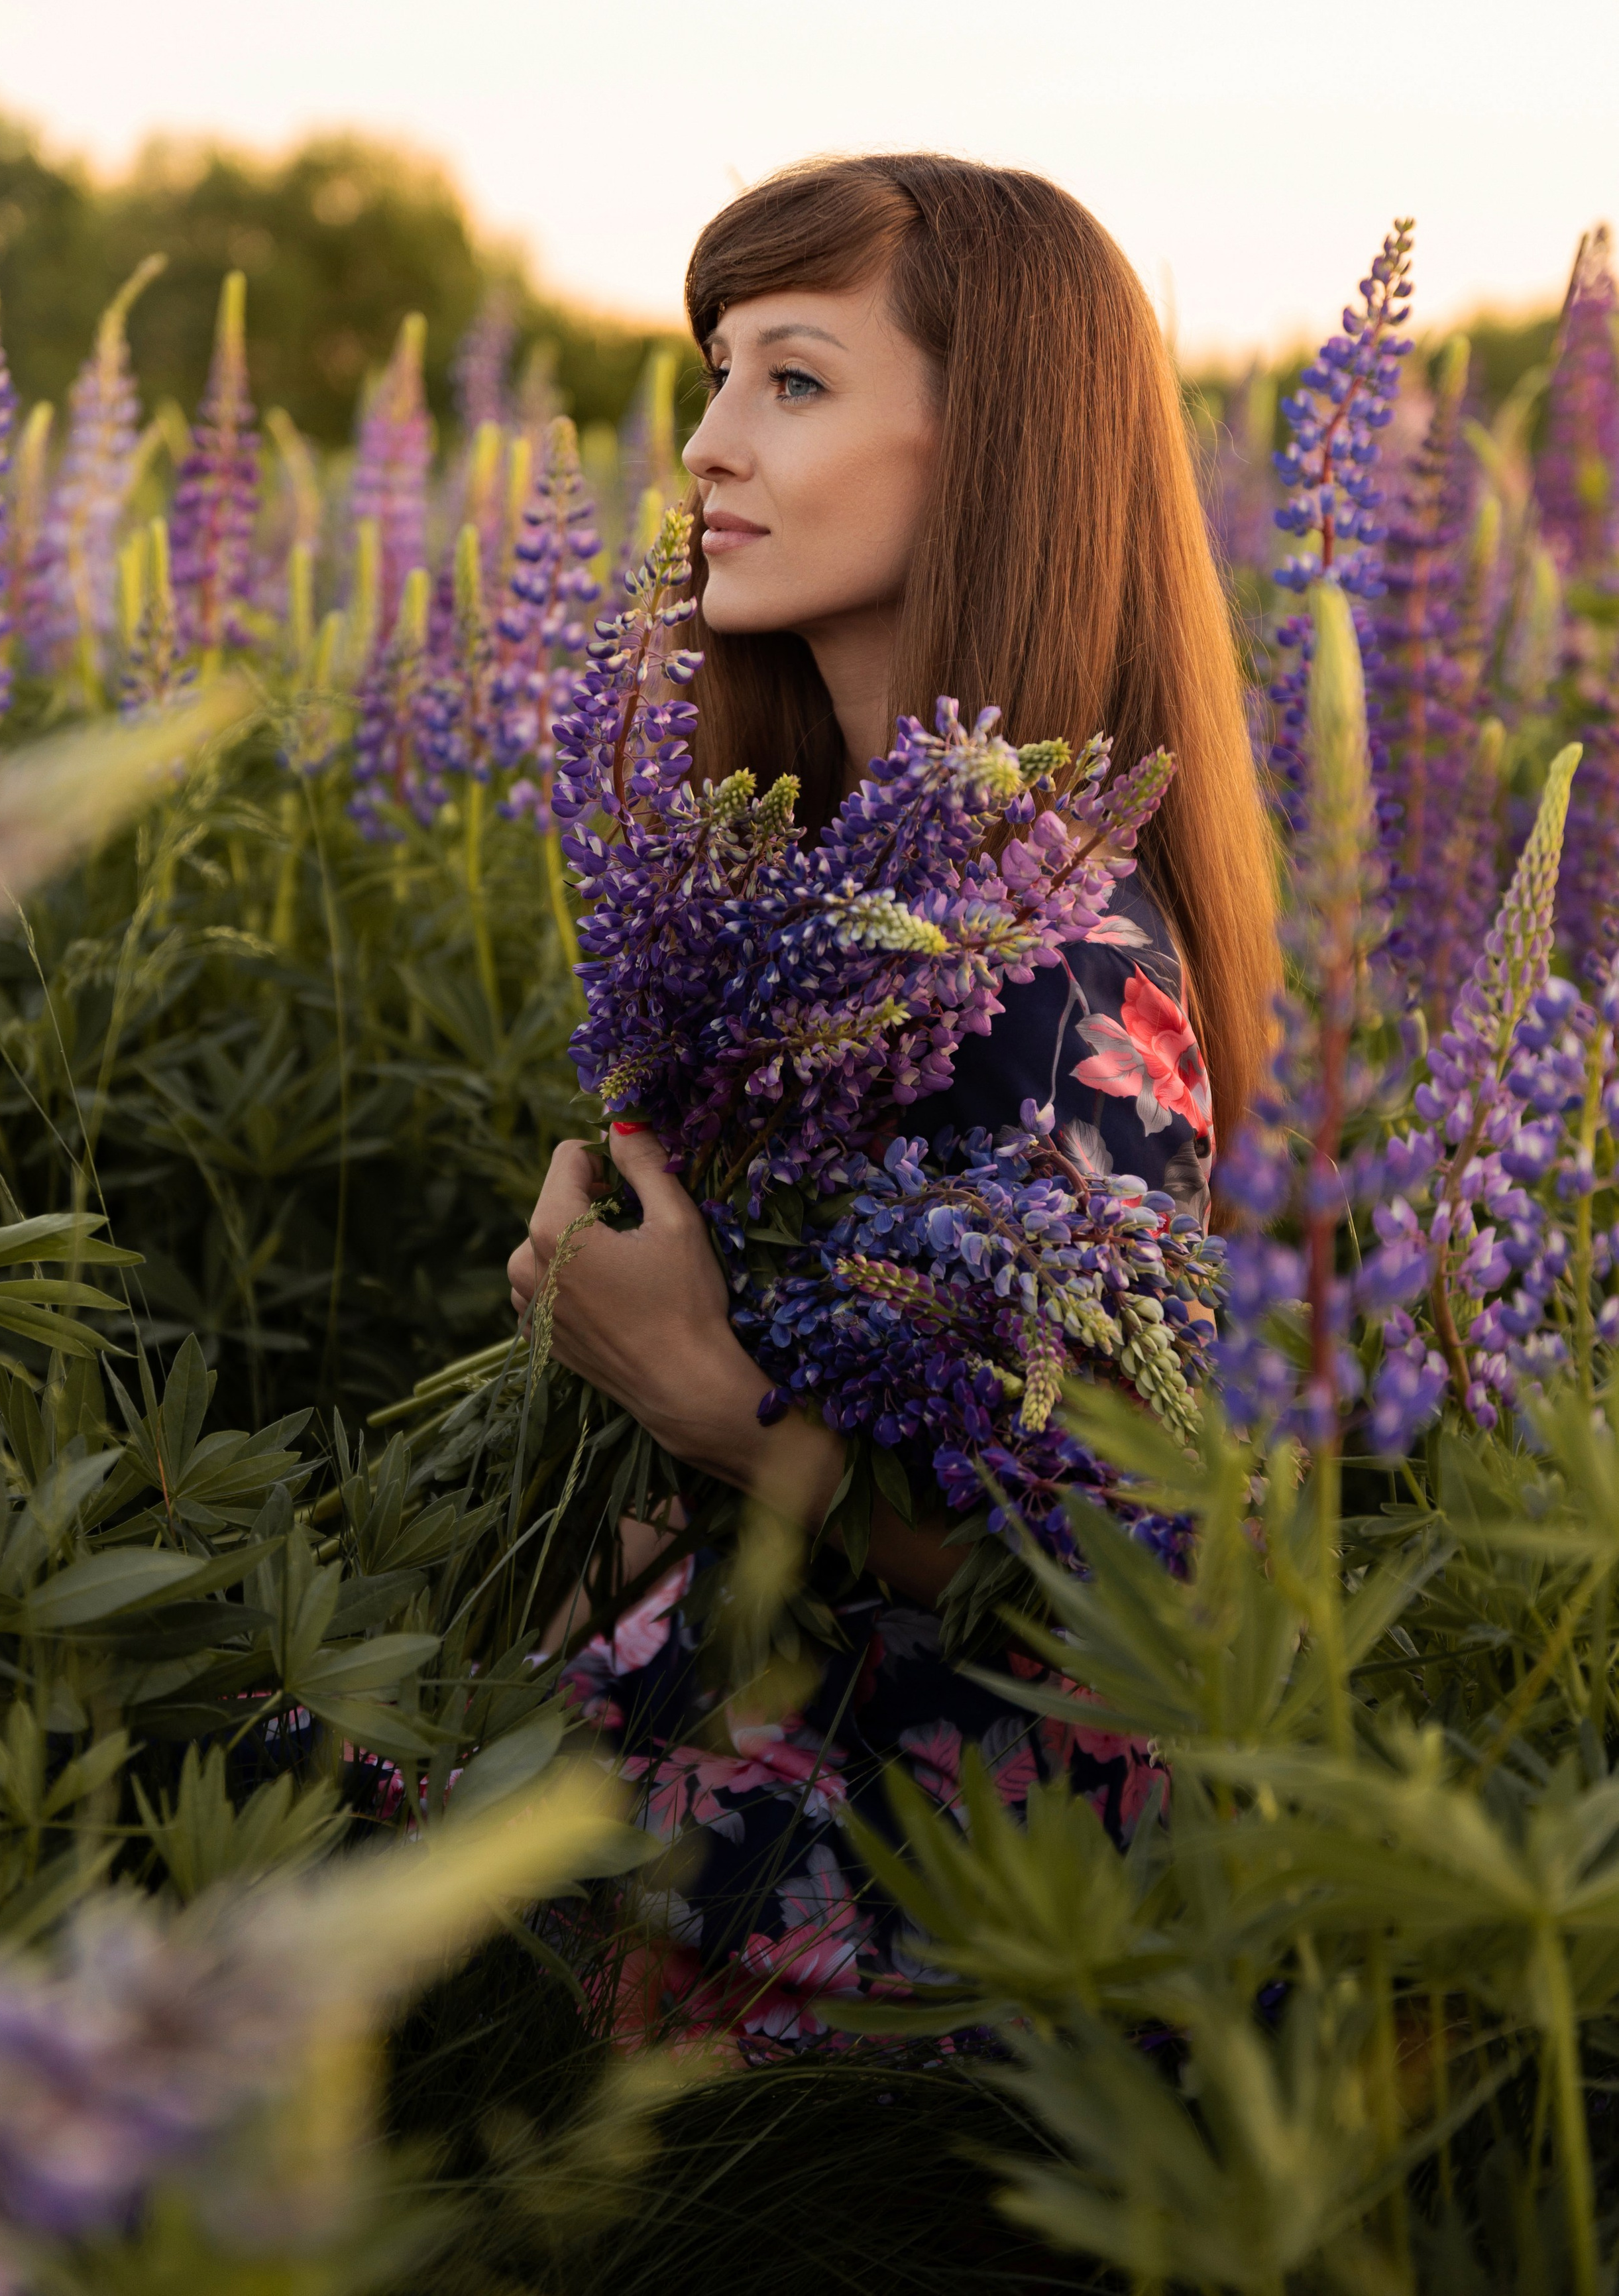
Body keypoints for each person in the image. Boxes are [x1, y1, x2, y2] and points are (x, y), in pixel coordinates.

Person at [507, 154, 1278, 2049]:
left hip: (936, 1871)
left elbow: (1084, 1589)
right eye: (711, 376)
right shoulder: (827, 881)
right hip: (765, 1707)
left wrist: (702, 1398)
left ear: (991, 447)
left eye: (792, 379)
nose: (703, 447)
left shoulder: (1062, 963)